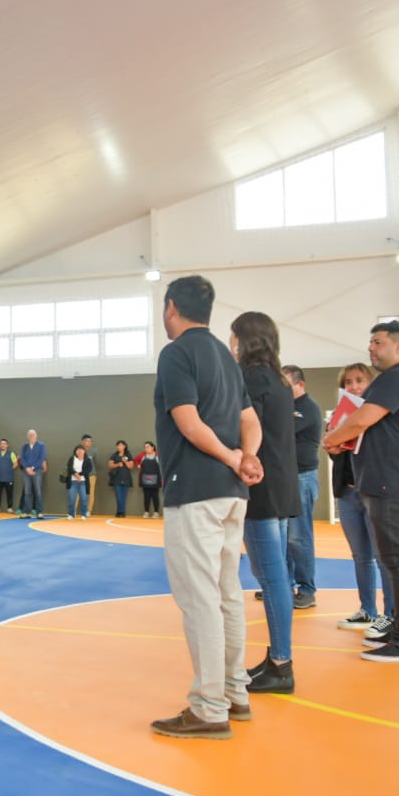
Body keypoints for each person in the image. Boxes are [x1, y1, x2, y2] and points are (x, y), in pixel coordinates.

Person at [150, 275, 262, 740]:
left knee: (200, 601)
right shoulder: (225, 357)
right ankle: (235, 693)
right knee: (226, 593)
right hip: (231, 493)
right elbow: (248, 420)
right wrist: (247, 457)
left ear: (171, 307)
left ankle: (209, 707)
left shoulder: (176, 354)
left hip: (195, 490)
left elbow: (189, 422)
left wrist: (234, 457)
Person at [323, 320, 399, 664]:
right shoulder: (395, 379)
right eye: (370, 342)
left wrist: (332, 438)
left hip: (391, 482)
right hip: (384, 481)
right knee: (392, 560)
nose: (371, 348)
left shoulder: (397, 377)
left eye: (378, 342)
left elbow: (360, 420)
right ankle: (398, 631)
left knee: (397, 560)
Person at [232, 311, 301, 694]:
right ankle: (278, 657)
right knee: (276, 577)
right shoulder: (278, 380)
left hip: (262, 489)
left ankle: (281, 664)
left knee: (272, 578)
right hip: (280, 487)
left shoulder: (251, 379)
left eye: (234, 337)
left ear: (245, 340)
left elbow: (243, 430)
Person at [327, 362, 393, 632]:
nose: (354, 386)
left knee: (382, 555)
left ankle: (391, 615)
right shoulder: (337, 417)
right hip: (347, 492)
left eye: (359, 381)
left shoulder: (381, 415)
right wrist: (334, 443)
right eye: (348, 383)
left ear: (371, 383)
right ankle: (367, 609)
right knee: (360, 555)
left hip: (375, 493)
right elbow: (331, 451)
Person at [283, 365, 322, 610]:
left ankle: (307, 589)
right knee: (284, 537)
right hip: (286, 479)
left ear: (300, 385)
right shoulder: (287, 408)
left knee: (299, 537)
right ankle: (283, 587)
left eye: (287, 386)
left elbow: (280, 432)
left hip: (302, 478)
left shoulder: (307, 409)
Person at [19, 430, 47, 520]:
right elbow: (22, 458)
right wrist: (27, 468)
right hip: (26, 472)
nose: (31, 436)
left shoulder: (41, 446)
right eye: (30, 435)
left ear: (36, 436)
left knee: (37, 491)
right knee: (27, 492)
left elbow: (41, 458)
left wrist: (33, 467)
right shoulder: (24, 446)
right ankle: (27, 512)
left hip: (37, 471)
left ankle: (39, 512)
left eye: (33, 435)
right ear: (28, 437)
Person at [134, 442, 163, 518]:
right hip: (145, 478)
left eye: (148, 447)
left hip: (156, 478)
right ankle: (146, 512)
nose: (146, 448)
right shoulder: (142, 455)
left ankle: (156, 512)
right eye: (145, 447)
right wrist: (138, 465)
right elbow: (135, 460)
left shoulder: (158, 455)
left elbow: (164, 463)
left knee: (155, 495)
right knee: (146, 496)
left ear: (153, 447)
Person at [65, 443, 93, 519]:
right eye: (78, 450)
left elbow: (89, 469)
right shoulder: (72, 458)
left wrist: (79, 475)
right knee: (72, 499)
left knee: (84, 498)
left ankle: (84, 514)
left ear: (84, 451)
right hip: (72, 482)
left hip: (83, 482)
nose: (80, 452)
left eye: (81, 450)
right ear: (75, 451)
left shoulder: (87, 460)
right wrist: (75, 474)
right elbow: (69, 468)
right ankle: (71, 514)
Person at [108, 440, 134, 518]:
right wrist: (117, 464)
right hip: (116, 478)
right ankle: (121, 512)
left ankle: (120, 512)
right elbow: (110, 465)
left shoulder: (128, 455)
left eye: (121, 445)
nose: (119, 447)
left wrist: (125, 461)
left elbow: (131, 466)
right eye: (118, 445)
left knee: (123, 496)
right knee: (118, 496)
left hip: (126, 478)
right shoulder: (114, 455)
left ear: (124, 446)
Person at [0, 439, 17, 513]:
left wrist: (9, 469)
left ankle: (10, 507)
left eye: (4, 443)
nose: (3, 445)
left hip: (8, 478)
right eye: (1, 443)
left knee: (9, 493)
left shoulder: (11, 453)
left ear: (7, 445)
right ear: (0, 445)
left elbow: (15, 463)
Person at [81, 434, 98, 516]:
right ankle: (72, 510)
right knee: (77, 493)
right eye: (87, 441)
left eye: (90, 441)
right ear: (83, 441)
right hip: (80, 475)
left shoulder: (94, 451)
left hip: (91, 475)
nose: (89, 443)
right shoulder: (79, 450)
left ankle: (89, 510)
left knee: (90, 493)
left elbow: (95, 463)